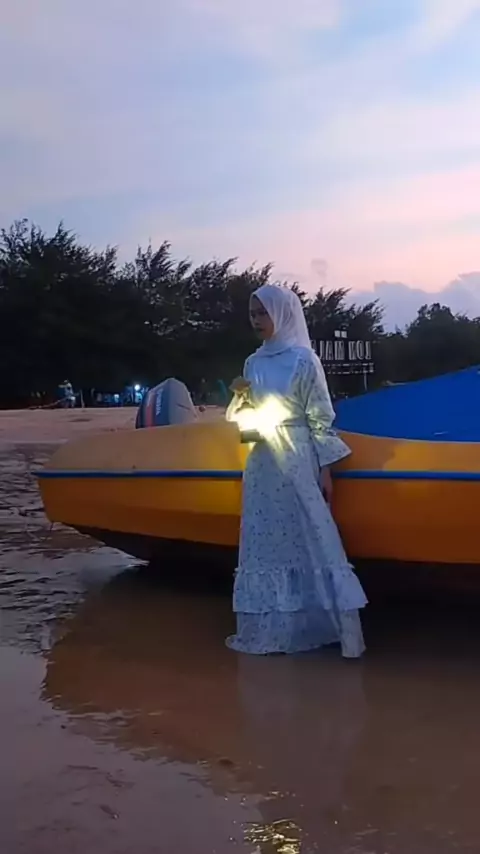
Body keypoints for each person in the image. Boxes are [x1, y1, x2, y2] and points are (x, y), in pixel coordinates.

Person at [226, 284, 367, 658]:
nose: (257, 320)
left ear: (282, 313)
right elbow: (245, 413)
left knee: (311, 532)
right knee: (265, 537)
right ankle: (272, 628)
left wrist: (325, 469)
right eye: (252, 313)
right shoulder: (253, 362)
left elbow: (320, 416)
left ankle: (323, 624)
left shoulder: (304, 360)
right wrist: (243, 407)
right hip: (262, 460)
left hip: (297, 455)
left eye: (263, 313)